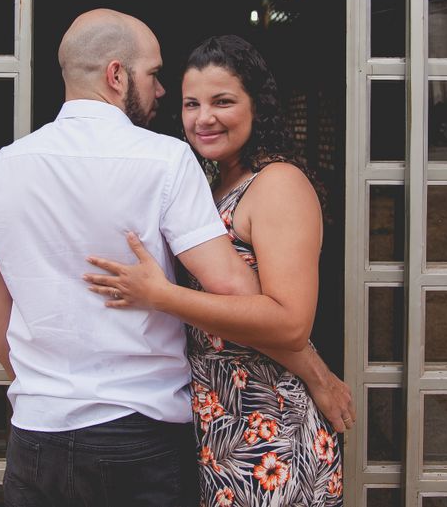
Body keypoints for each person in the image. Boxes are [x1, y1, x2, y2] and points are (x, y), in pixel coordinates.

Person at [0, 10, 350, 506]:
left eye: (221, 101)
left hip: (41, 435)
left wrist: (41, 388)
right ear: (116, 75)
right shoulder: (168, 162)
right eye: (155, 76)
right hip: (144, 434)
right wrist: (316, 370)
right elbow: (237, 291)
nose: (170, 98)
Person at [84, 34, 350, 506]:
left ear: (257, 107)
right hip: (221, 425)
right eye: (191, 104)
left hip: (271, 431)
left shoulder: (277, 184)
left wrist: (161, 296)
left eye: (222, 101)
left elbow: (290, 321)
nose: (203, 118)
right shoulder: (209, 181)